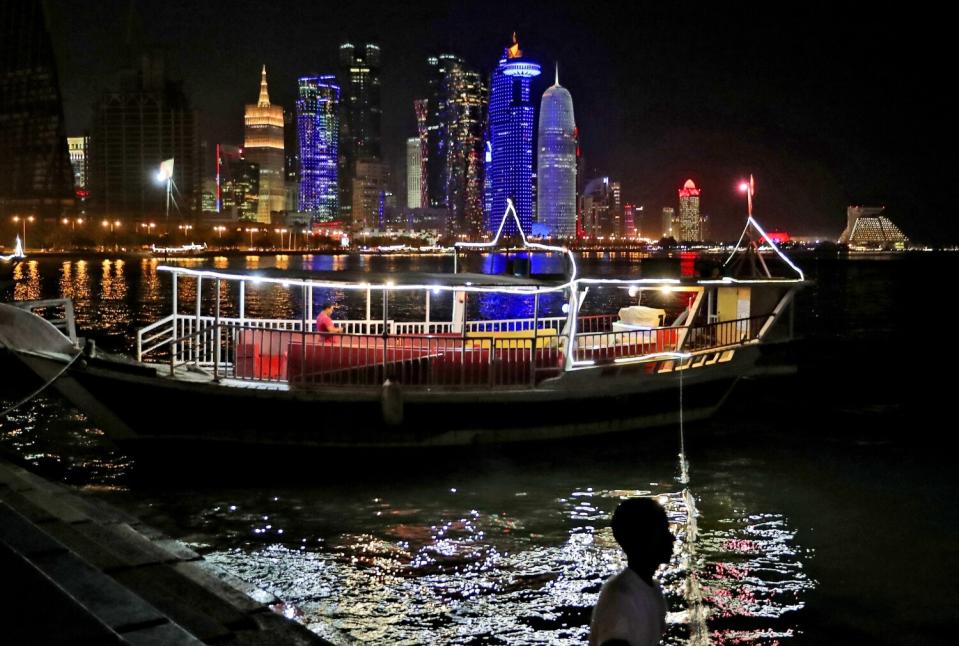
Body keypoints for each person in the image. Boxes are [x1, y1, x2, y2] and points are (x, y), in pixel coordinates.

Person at [589, 498, 675, 646]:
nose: (672, 537)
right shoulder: (621, 598)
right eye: (663, 530)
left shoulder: (652, 590)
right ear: (644, 539)